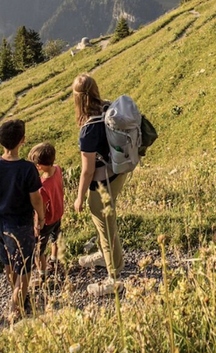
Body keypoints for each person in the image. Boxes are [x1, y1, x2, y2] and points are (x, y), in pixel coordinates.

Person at [0, 118, 43, 320]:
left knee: (8, 263)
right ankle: (16, 308)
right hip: (21, 224)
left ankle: (18, 294)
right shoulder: (28, 169)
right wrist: (40, 217)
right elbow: (36, 199)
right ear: (22, 140)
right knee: (24, 266)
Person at [73, 73, 128, 296]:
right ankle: (104, 257)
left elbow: (86, 170)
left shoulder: (87, 129)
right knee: (105, 221)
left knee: (105, 225)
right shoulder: (108, 108)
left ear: (77, 98)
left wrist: (79, 197)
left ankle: (114, 277)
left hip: (101, 181)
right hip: (118, 172)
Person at [28, 142, 64, 283]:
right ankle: (54, 260)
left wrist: (38, 224)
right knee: (56, 237)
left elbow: (40, 208)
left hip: (47, 220)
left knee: (39, 249)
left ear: (41, 166)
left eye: (36, 164)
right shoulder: (58, 169)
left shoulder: (42, 186)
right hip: (58, 213)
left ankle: (42, 274)